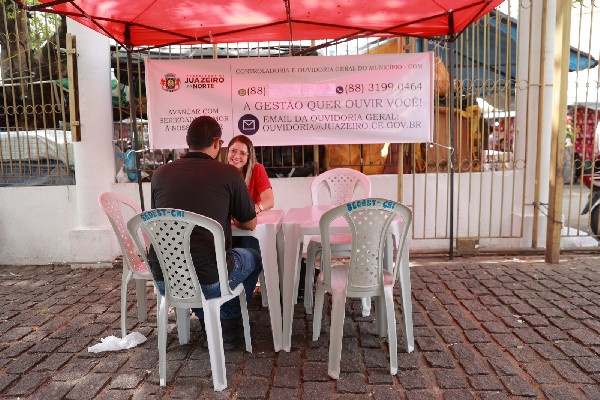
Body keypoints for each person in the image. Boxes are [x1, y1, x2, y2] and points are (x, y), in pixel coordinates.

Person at [148, 116, 262, 350]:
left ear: (187, 140)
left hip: (167, 280)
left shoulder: (159, 174)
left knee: (209, 266)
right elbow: (250, 223)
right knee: (253, 255)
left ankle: (207, 320)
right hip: (209, 279)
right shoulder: (228, 174)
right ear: (217, 142)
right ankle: (227, 323)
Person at [227, 135, 274, 252]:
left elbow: (269, 200)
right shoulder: (221, 171)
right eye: (233, 151)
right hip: (228, 226)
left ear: (249, 156)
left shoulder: (257, 169)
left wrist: (256, 208)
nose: (236, 156)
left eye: (243, 153)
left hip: (249, 224)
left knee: (249, 243)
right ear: (227, 152)